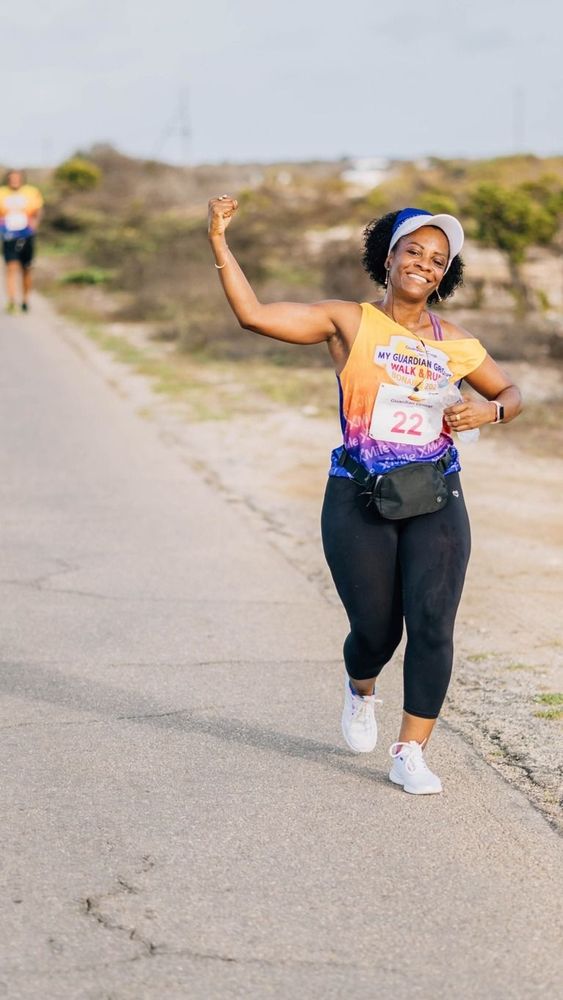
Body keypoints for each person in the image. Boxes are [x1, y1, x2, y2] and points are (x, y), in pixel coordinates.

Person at [207, 196, 522, 795]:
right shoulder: (348, 321)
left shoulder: (456, 342)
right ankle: (360, 688)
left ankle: (411, 752)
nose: (424, 264)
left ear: (444, 275)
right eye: (413, 251)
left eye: (437, 260)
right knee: (376, 632)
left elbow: (511, 392)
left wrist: (492, 410)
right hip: (359, 493)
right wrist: (220, 239)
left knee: (432, 622)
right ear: (388, 257)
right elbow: (254, 315)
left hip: (436, 493)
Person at [0, 169, 43, 313]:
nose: (14, 181)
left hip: (26, 235)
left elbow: (38, 211)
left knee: (26, 269)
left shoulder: (31, 192)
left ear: (22, 179)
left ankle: (25, 299)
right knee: (11, 268)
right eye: (11, 178)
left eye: (17, 178)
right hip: (9, 236)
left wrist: (34, 225)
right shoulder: (1, 193)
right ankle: (12, 301)